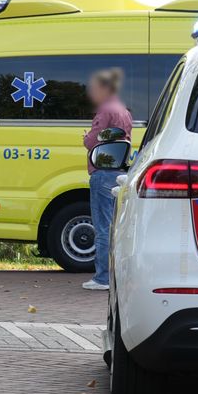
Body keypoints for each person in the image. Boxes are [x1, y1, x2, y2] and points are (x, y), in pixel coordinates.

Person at [82, 67, 132, 291]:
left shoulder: (105, 111)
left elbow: (93, 140)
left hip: (103, 170)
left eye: (94, 89)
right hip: (120, 171)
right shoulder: (123, 110)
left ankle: (102, 278)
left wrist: (86, 137)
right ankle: (115, 276)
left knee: (102, 227)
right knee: (116, 227)